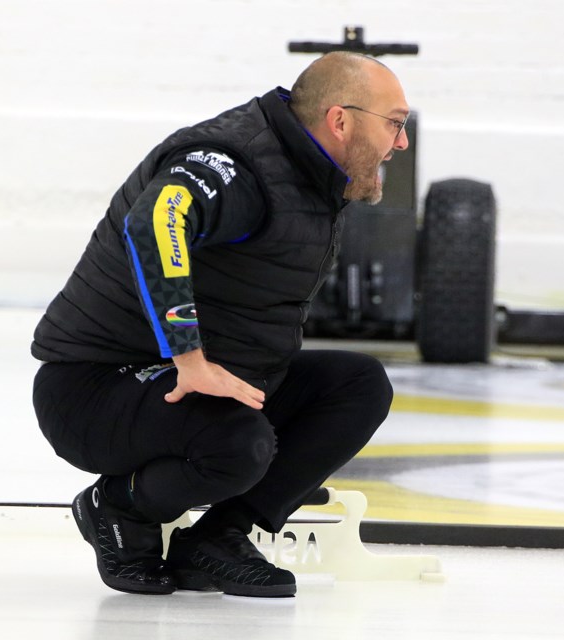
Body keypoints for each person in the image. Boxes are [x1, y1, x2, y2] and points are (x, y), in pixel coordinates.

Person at [31, 51, 409, 598]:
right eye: (395, 124)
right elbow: (155, 222)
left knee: (358, 386)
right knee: (239, 444)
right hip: (94, 388)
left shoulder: (309, 172)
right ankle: (116, 506)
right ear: (340, 120)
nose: (400, 144)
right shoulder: (235, 161)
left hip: (192, 380)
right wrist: (188, 356)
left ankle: (218, 538)